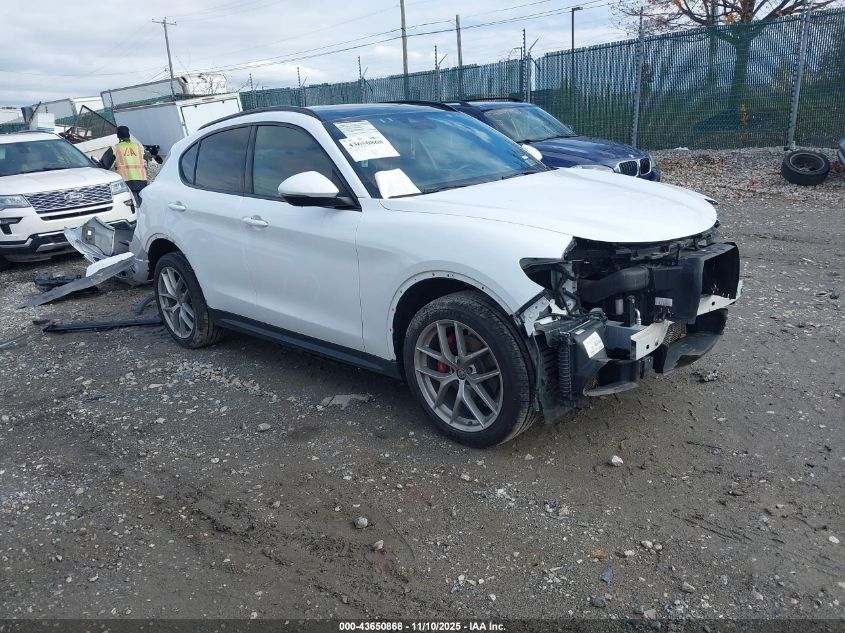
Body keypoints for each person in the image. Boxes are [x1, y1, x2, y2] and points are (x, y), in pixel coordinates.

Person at [99, 125, 149, 204]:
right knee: (143, 206)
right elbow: (146, 162)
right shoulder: (138, 147)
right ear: (128, 135)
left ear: (118, 136)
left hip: (125, 183)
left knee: (132, 207)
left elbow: (103, 166)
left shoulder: (115, 148)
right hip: (141, 181)